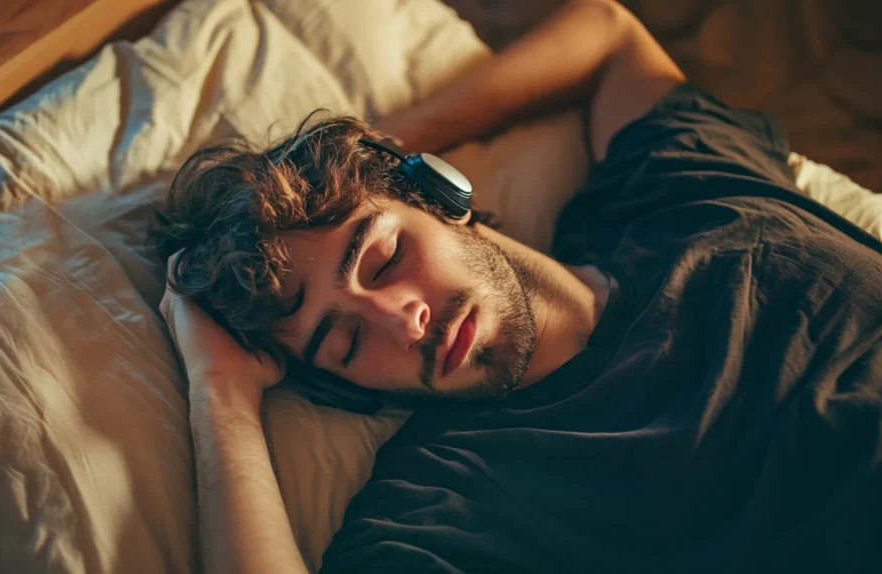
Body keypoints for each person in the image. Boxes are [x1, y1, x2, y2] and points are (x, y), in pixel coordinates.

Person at [150, 0, 882, 572]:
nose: (403, 322)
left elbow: (608, 33)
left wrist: (390, 143)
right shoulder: (454, 492)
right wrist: (220, 395)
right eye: (346, 341)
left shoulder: (674, 187)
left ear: (438, 197)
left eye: (381, 261)